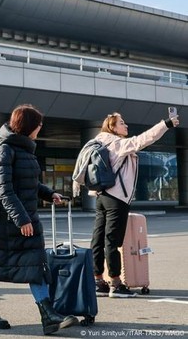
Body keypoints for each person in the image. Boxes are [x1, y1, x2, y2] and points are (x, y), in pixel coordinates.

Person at [0, 104, 77, 335]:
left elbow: (28, 182)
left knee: (37, 264)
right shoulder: (5, 149)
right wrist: (21, 219)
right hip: (3, 221)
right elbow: (3, 189)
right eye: (39, 124)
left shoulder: (23, 149)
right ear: (29, 125)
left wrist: (49, 193)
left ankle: (48, 315)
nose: (41, 128)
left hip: (22, 217)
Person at [78, 112, 179, 298]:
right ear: (113, 128)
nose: (126, 126)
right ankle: (116, 284)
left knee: (98, 239)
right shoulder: (117, 143)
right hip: (116, 198)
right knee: (112, 240)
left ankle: (97, 280)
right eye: (121, 123)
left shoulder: (97, 142)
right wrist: (166, 124)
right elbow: (144, 139)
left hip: (100, 196)